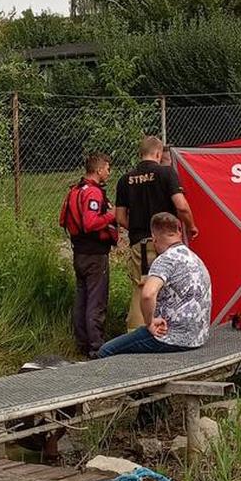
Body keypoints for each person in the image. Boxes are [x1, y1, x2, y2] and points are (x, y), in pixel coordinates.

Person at [98, 212, 212, 358]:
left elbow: (148, 294)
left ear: (154, 238)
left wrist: (150, 322)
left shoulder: (165, 260)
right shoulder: (195, 258)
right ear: (178, 231)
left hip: (169, 337)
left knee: (105, 351)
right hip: (198, 337)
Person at [114, 136, 197, 330]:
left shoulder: (125, 179)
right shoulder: (166, 173)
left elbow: (119, 217)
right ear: (159, 154)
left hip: (140, 245)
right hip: (167, 244)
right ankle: (172, 331)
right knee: (171, 287)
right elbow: (181, 206)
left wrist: (137, 228)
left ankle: (135, 334)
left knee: (141, 288)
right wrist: (191, 227)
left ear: (140, 154)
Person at [60, 152, 118, 357]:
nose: (109, 173)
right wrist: (111, 215)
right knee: (96, 300)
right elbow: (90, 222)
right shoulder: (93, 193)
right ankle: (96, 346)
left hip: (79, 253)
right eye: (108, 169)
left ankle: (82, 343)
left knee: (82, 298)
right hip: (94, 254)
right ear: (99, 169)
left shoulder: (76, 190)